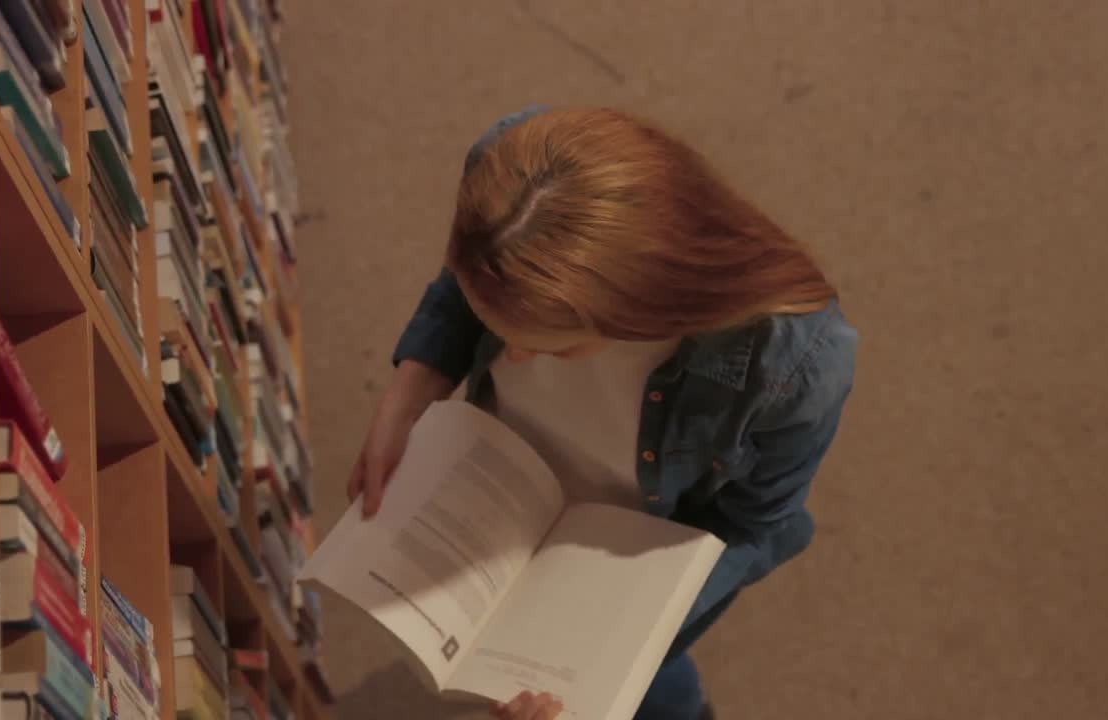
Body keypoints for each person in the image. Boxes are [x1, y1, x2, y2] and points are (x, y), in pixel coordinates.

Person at [347, 105, 858, 720]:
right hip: (510, 494)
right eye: (497, 328)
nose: (514, 357)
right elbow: (464, 286)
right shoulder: (509, 176)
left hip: (632, 547)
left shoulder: (795, 368)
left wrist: (613, 643)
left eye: (550, 346)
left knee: (643, 684)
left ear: (636, 308)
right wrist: (406, 398)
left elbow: (752, 525)